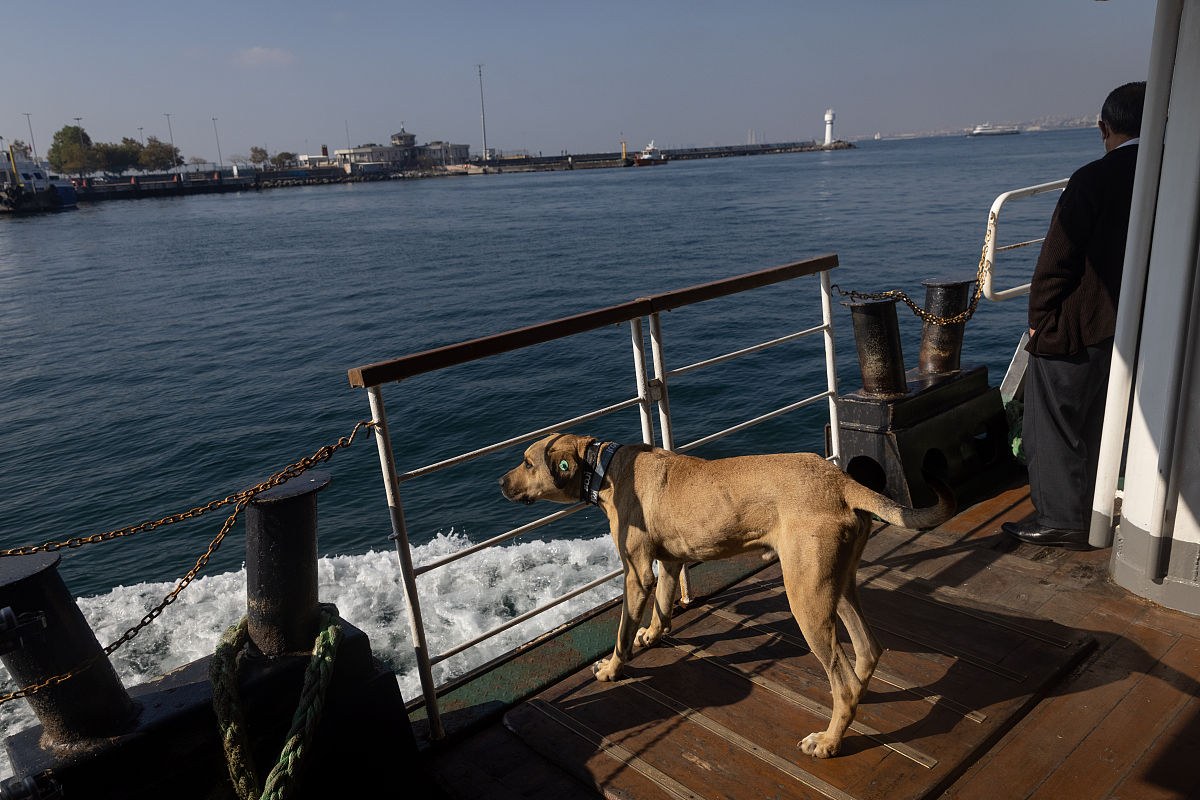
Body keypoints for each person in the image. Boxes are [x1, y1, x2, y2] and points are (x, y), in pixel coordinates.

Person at [1003, 81, 1145, 550]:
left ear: (1103, 128)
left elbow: (1055, 262)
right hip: (1139, 324)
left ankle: (1061, 517)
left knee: (1053, 421)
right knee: (1101, 416)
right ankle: (1092, 506)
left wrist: (1041, 323)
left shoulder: (1093, 178)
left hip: (1083, 322)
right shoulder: (1170, 171)